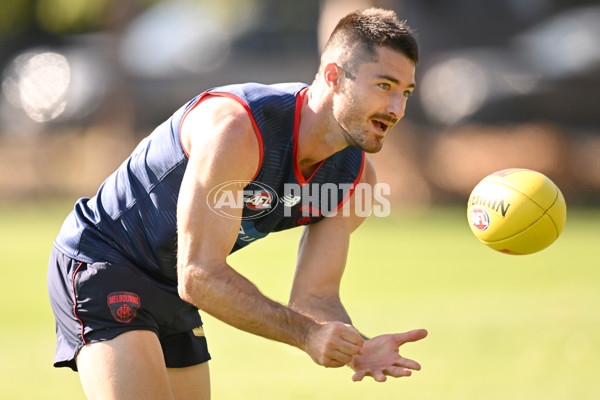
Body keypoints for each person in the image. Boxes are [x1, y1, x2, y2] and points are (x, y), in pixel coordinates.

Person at [48, 7, 428, 399]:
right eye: (384, 85)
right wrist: (307, 334)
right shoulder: (239, 128)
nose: (397, 109)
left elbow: (315, 296)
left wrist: (358, 349)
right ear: (333, 76)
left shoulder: (355, 179)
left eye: (406, 92)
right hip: (105, 261)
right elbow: (199, 275)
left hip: (171, 285)